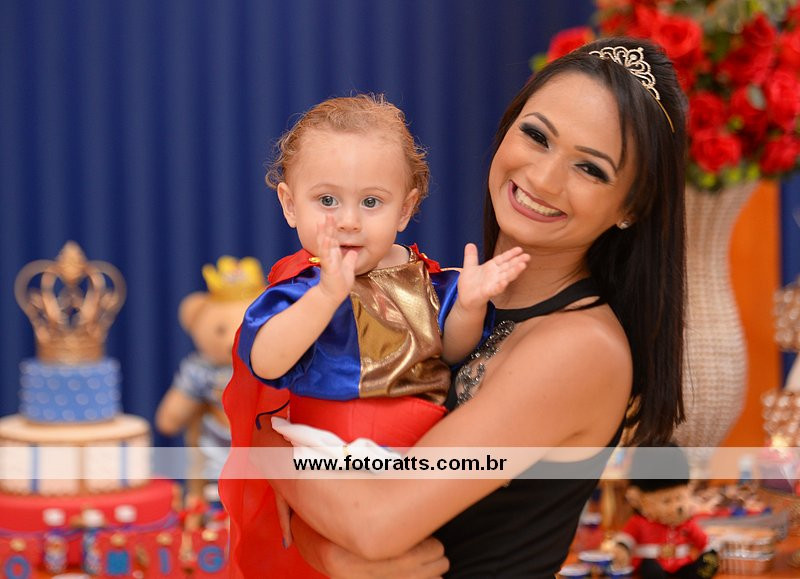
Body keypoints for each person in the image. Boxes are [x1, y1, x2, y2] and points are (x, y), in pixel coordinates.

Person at [224, 35, 688, 577]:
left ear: (631, 205)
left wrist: (271, 446)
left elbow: (374, 522)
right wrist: (329, 548)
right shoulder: (443, 295)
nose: (543, 178)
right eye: (537, 136)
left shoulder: (581, 347)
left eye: (590, 168)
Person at [222, 94, 528, 577]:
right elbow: (267, 361)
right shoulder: (299, 292)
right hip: (327, 451)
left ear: (404, 210)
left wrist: (469, 306)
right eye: (327, 201)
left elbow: (450, 351)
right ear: (290, 205)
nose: (348, 220)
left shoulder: (428, 282)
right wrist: (326, 296)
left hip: (413, 454)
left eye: (371, 202)